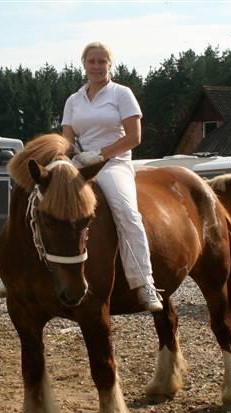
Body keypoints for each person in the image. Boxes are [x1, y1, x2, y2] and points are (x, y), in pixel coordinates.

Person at [62, 41, 162, 312]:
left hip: (114, 164)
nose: (96, 66)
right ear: (83, 63)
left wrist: (101, 155)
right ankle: (19, 274)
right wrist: (64, 158)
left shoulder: (122, 94)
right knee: (38, 198)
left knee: (127, 211)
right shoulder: (74, 100)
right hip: (81, 163)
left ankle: (144, 281)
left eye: (102, 61)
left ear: (110, 64)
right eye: (91, 61)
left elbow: (134, 137)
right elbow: (66, 139)